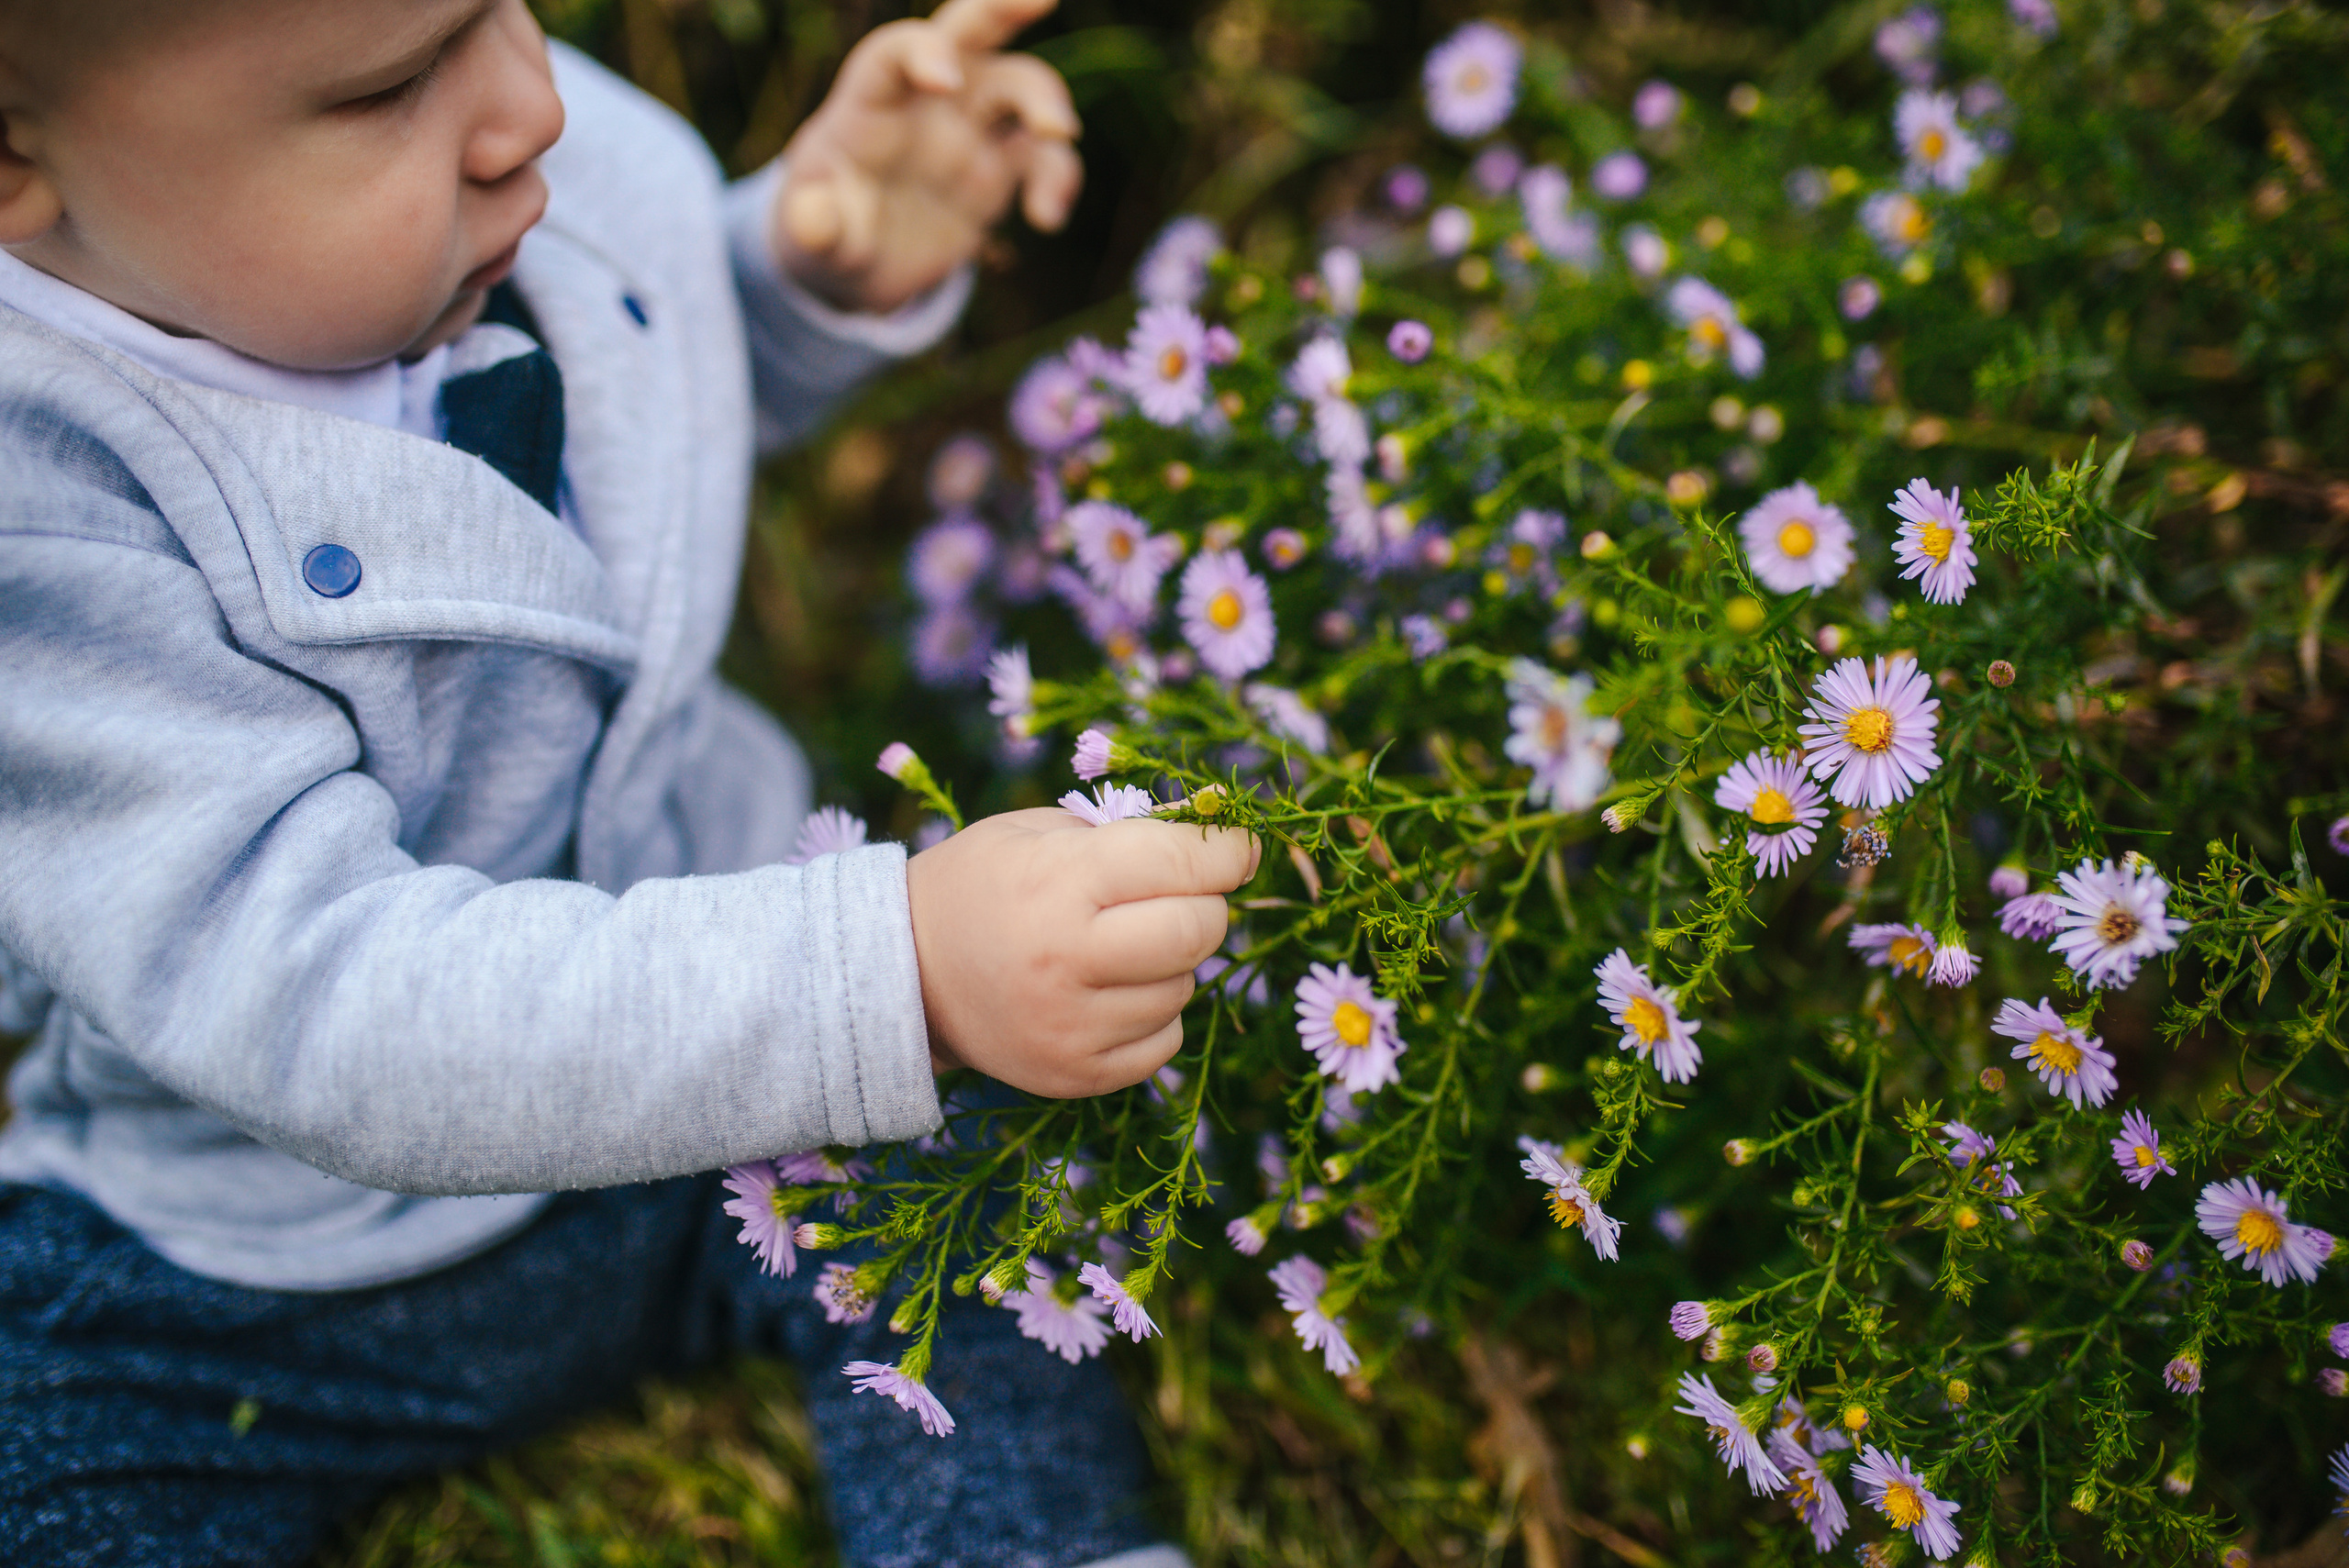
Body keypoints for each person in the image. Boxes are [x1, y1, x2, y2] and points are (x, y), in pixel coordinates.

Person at [0, 1, 1254, 1562]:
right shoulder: (37, 537)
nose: (526, 102)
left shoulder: (469, 201)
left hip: (732, 1105)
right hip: (248, 1261)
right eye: (392, 83)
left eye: (505, 6)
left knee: (987, 1172)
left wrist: (794, 278)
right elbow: (325, 998)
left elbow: (602, 439)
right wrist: (883, 969)